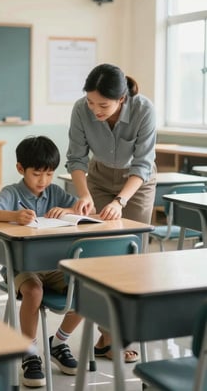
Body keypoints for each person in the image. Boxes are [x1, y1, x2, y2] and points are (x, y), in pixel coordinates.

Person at [66, 63, 157, 363]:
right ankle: (109, 337)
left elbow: (142, 164)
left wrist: (120, 201)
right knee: (103, 255)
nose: (95, 110)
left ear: (122, 99)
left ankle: (116, 335)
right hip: (99, 178)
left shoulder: (143, 109)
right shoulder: (81, 109)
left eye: (102, 104)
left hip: (137, 184)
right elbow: (76, 158)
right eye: (91, 102)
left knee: (132, 255)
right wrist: (84, 194)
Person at [0, 135, 83, 388]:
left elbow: (82, 209)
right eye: (37, 174)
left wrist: (67, 211)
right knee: (33, 292)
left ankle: (58, 343)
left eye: (49, 174)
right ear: (20, 169)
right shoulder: (12, 193)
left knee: (88, 289)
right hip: (21, 267)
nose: (43, 181)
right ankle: (29, 352)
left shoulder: (55, 192)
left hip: (54, 266)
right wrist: (14, 216)